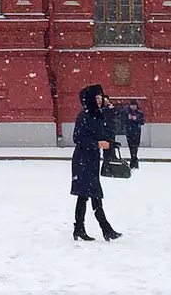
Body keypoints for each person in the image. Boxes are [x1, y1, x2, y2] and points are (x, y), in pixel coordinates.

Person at [70, 84, 121, 243]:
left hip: (91, 160)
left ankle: (80, 228)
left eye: (101, 97)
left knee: (87, 195)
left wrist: (111, 144)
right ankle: (106, 229)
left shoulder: (98, 115)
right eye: (97, 98)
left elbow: (105, 133)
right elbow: (78, 138)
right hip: (82, 160)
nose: (100, 100)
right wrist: (97, 144)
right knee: (91, 194)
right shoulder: (84, 116)